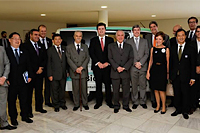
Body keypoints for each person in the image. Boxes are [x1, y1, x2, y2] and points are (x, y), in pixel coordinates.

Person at [6, 32, 33, 126]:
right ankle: (13, 118)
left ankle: (25, 116)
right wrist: (6, 78)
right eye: (15, 39)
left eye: (19, 39)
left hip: (23, 81)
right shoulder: (6, 52)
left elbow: (29, 64)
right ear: (10, 40)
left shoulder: (24, 51)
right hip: (11, 81)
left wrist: (30, 76)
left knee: (24, 99)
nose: (17, 41)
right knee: (12, 101)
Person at [170, 28, 196, 119]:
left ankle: (185, 111)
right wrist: (170, 76)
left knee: (185, 93)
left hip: (186, 76)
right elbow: (171, 63)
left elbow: (193, 64)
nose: (180, 37)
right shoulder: (172, 48)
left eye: (182, 35)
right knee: (177, 93)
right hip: (175, 76)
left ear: (185, 36)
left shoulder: (190, 48)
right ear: (176, 37)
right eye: (179, 35)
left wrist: (193, 78)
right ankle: (178, 109)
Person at [22, 29, 47, 118]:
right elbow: (26, 60)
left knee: (39, 91)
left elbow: (45, 58)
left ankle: (39, 107)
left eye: (38, 35)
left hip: (40, 73)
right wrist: (35, 69)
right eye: (35, 35)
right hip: (31, 74)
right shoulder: (25, 46)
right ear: (30, 35)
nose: (37, 36)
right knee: (29, 94)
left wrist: (41, 68)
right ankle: (28, 111)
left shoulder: (41, 45)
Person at [144, 21, 170, 108]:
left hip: (162, 70)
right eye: (157, 39)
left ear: (163, 40)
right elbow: (151, 61)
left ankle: (163, 106)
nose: (158, 40)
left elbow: (168, 62)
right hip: (154, 70)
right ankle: (158, 106)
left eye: (160, 39)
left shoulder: (166, 49)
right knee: (155, 89)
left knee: (162, 90)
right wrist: (148, 72)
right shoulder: (152, 49)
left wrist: (167, 73)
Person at [89, 22, 114, 109]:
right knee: (98, 85)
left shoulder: (110, 40)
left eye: (102, 29)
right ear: (97, 30)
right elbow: (91, 53)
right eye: (99, 29)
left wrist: (107, 62)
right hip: (97, 67)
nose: (101, 30)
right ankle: (98, 102)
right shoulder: (93, 40)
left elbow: (112, 53)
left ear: (105, 30)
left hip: (107, 67)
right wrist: (98, 63)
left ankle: (109, 101)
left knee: (108, 85)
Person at [108, 30, 133, 113]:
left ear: (124, 36)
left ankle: (126, 106)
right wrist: (117, 67)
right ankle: (116, 106)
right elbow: (110, 58)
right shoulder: (111, 46)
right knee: (115, 91)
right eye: (118, 35)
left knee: (126, 90)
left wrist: (125, 67)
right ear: (116, 36)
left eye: (122, 35)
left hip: (125, 72)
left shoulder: (129, 46)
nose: (120, 37)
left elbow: (131, 58)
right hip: (115, 72)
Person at [126, 25, 149, 109]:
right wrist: (135, 63)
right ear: (132, 31)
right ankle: (135, 101)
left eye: (138, 30)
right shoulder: (128, 41)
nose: (136, 31)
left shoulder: (145, 41)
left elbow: (147, 53)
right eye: (135, 30)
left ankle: (143, 101)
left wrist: (141, 63)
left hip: (142, 67)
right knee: (134, 85)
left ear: (140, 31)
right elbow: (128, 55)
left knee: (143, 85)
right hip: (133, 67)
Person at [66, 31, 90, 111]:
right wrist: (75, 68)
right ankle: (76, 104)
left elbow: (87, 58)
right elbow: (68, 59)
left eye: (80, 36)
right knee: (75, 90)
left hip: (83, 71)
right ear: (74, 37)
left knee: (84, 89)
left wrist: (81, 67)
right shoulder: (69, 47)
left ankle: (85, 103)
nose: (78, 37)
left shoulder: (85, 46)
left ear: (82, 37)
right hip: (74, 72)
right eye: (77, 36)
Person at [47, 34, 68, 112]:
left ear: (61, 40)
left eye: (59, 39)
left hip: (63, 74)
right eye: (56, 39)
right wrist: (49, 74)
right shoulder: (50, 50)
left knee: (62, 90)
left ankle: (62, 104)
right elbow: (48, 63)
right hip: (54, 74)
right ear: (53, 41)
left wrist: (67, 71)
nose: (58, 41)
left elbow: (66, 61)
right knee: (54, 90)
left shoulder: (64, 49)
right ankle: (56, 105)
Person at [0, 46, 16, 130]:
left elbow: (7, 63)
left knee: (2, 105)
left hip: (2, 82)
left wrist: (4, 77)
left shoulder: (1, 49)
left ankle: (4, 123)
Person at [38, 24, 53, 107]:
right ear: (39, 31)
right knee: (39, 86)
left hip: (48, 67)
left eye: (44, 31)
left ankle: (47, 101)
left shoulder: (49, 41)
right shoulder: (37, 41)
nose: (43, 32)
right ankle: (40, 102)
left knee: (48, 85)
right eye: (41, 31)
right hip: (40, 68)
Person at [188, 25, 200, 114]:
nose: (199, 33)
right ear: (195, 33)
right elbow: (190, 58)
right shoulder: (191, 43)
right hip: (193, 69)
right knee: (193, 89)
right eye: (197, 31)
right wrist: (196, 66)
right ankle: (193, 106)